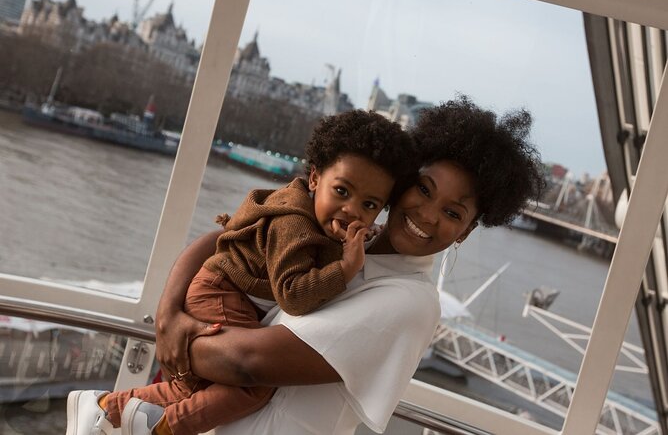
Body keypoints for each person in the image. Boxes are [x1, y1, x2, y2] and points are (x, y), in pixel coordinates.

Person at [154, 96, 544, 434]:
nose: (427, 214)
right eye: (424, 189)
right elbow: (225, 242)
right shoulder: (352, 236)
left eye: (452, 212)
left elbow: (248, 363)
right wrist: (168, 312)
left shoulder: (409, 303)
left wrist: (179, 335)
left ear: (465, 232)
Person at [65, 110, 416, 435]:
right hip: (221, 290)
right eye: (341, 191)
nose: (352, 209)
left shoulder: (319, 221)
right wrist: (344, 268)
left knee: (192, 388)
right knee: (254, 387)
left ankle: (105, 408)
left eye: (368, 205)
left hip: (222, 288)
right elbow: (292, 296)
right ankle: (164, 429)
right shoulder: (295, 224)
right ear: (314, 178)